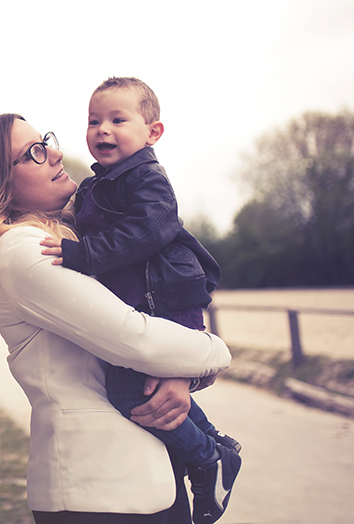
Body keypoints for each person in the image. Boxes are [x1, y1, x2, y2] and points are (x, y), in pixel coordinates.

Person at [0, 113, 232, 524]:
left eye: (46, 140)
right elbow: (136, 339)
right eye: (35, 153)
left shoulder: (76, 240)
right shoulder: (24, 250)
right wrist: (217, 352)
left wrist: (179, 376)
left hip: (140, 482)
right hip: (98, 491)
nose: (57, 153)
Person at [39, 78, 240, 524]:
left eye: (117, 120)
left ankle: (206, 459)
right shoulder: (100, 184)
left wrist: (85, 255)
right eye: (94, 121)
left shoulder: (145, 177)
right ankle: (215, 445)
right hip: (146, 303)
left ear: (153, 132)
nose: (102, 130)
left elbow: (151, 229)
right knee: (141, 387)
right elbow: (80, 220)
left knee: (130, 391)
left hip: (167, 300)